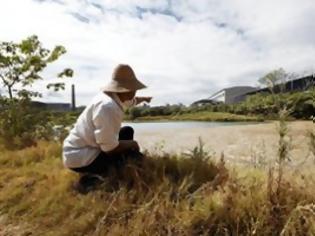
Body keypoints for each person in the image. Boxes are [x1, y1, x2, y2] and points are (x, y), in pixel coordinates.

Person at [62, 64, 152, 192]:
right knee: (135, 159)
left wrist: (143, 99)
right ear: (126, 90)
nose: (135, 91)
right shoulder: (107, 107)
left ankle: (109, 168)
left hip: (85, 147)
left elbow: (130, 101)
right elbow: (109, 148)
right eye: (134, 89)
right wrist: (132, 144)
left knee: (127, 131)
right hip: (81, 157)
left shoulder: (113, 97)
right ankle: (89, 181)